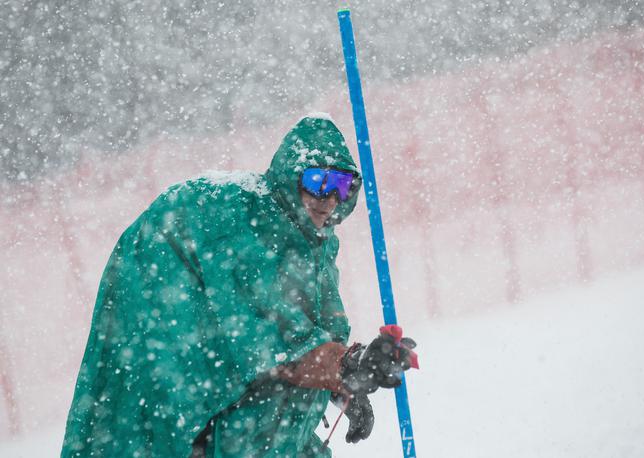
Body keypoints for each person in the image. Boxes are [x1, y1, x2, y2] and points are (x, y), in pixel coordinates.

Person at [61, 115, 417, 458]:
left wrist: (344, 388)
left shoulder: (313, 242)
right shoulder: (249, 227)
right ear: (290, 178)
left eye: (341, 185)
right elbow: (274, 342)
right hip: (220, 431)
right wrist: (346, 366)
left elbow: (310, 333)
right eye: (317, 181)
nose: (328, 198)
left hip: (274, 436)